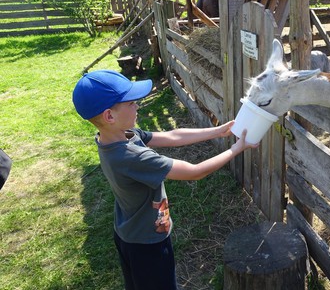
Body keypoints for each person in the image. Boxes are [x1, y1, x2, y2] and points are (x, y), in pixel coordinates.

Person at [72, 69, 258, 290]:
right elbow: (195, 171)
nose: (137, 105)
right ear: (109, 116)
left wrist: (217, 131)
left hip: (129, 231)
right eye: (131, 103)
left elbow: (172, 136)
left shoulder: (120, 135)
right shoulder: (131, 157)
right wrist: (237, 149)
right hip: (147, 242)